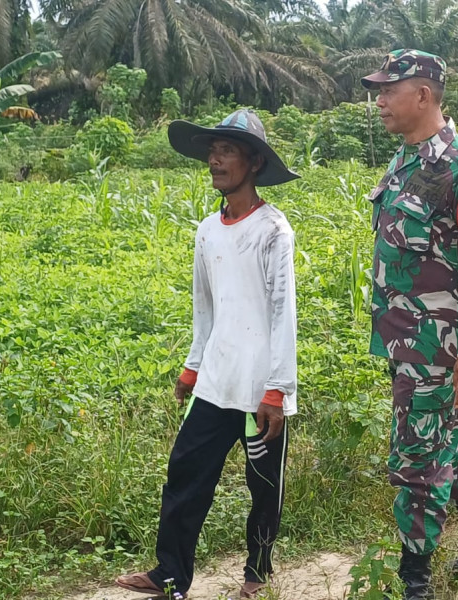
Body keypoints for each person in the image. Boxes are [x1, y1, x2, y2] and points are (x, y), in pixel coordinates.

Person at [114, 109, 299, 600]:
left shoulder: (273, 230)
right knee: (185, 475)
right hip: (217, 381)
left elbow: (283, 313)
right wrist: (192, 367)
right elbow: (206, 308)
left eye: (227, 151)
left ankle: (257, 573)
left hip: (260, 388)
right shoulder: (207, 230)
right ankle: (170, 573)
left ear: (254, 162)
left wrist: (278, 390)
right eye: (213, 151)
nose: (215, 160)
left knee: (264, 487)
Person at [361, 50, 458, 600]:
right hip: (404, 339)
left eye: (389, 90)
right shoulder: (406, 159)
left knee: (417, 459)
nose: (379, 101)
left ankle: (416, 581)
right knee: (437, 439)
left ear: (423, 94)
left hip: (438, 343)